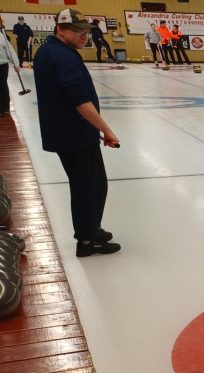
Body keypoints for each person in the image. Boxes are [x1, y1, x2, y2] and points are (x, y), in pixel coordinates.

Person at [33, 9, 121, 257]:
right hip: (75, 133)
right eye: (78, 31)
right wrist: (106, 130)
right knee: (88, 186)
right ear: (60, 29)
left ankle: (91, 229)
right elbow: (79, 100)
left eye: (86, 32)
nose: (84, 36)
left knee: (92, 184)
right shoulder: (64, 57)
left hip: (67, 132)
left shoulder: (49, 51)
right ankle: (86, 240)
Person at [0, 23, 12, 118]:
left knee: (3, 85)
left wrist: (16, 64)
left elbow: (10, 51)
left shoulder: (3, 37)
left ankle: (5, 108)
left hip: (3, 65)